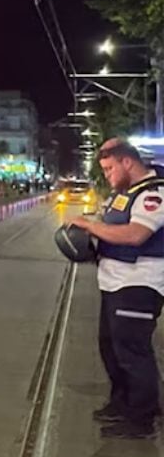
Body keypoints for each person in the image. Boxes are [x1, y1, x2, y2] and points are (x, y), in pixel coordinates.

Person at [69, 139, 164, 439]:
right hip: (114, 283)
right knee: (111, 348)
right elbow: (112, 226)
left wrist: (90, 227)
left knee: (133, 351)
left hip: (138, 284)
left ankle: (142, 418)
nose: (108, 175)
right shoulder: (123, 195)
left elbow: (136, 234)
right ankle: (122, 402)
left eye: (110, 168)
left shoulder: (154, 194)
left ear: (127, 162)